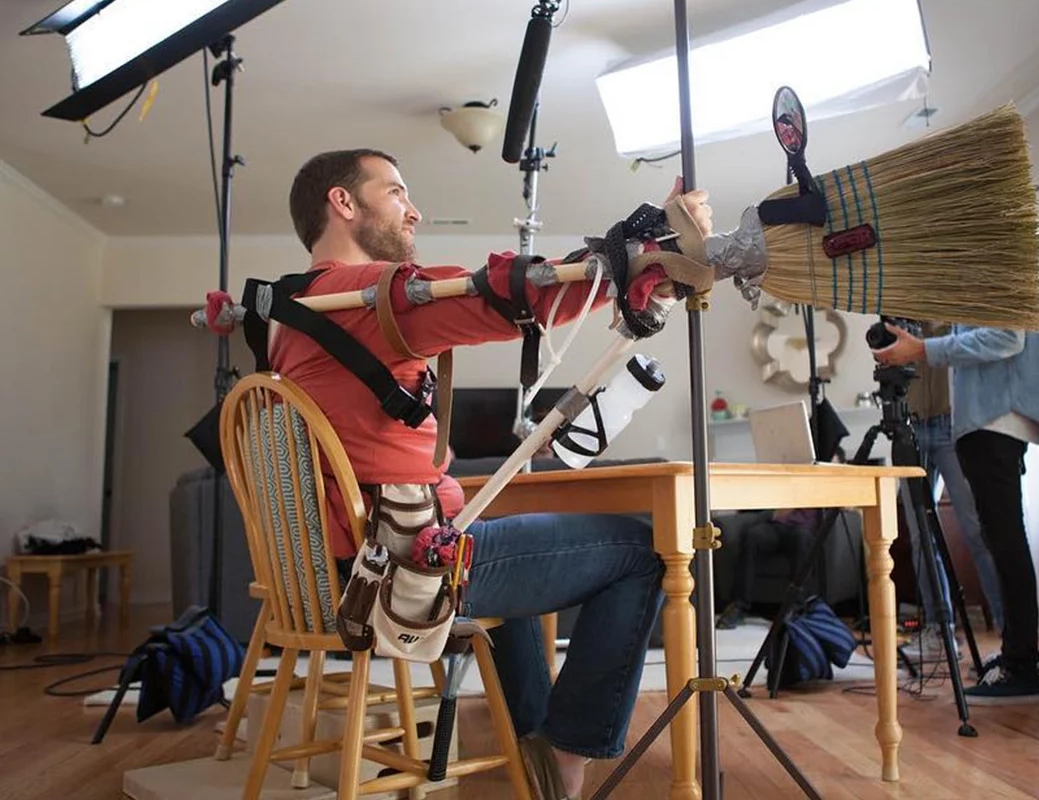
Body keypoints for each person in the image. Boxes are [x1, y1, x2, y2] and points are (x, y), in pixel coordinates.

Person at [265, 148, 716, 800]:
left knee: (510, 535)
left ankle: (532, 731)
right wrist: (638, 252)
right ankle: (566, 748)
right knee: (645, 549)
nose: (412, 208)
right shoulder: (362, 298)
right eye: (394, 191)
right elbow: (504, 297)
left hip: (338, 565)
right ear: (342, 202)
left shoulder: (290, 312)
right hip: (396, 574)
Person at [873, 322, 1039, 705]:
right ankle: (1015, 656)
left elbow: (1006, 339)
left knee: (1004, 543)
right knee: (1001, 540)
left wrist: (924, 350)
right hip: (987, 420)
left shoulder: (991, 268)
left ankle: (1021, 667)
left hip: (996, 419)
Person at [897, 322, 1004, 663]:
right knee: (920, 540)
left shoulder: (950, 304)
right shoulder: (897, 313)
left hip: (953, 424)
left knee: (979, 531)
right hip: (911, 426)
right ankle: (939, 631)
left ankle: (1011, 637)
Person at [716, 508, 817, 629]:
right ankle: (740, 605)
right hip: (778, 524)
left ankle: (797, 607)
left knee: (801, 539)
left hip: (803, 529)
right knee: (753, 536)